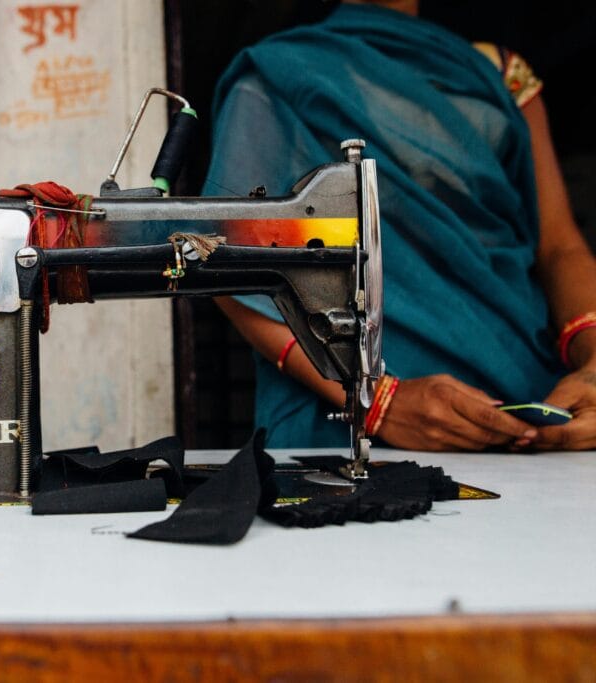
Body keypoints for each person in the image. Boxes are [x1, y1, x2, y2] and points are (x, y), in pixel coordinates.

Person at [204, 0, 596, 452]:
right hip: (344, 418)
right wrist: (378, 402)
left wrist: (591, 361)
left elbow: (559, 249)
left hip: (524, 400)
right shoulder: (276, 78)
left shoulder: (500, 77)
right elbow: (229, 266)